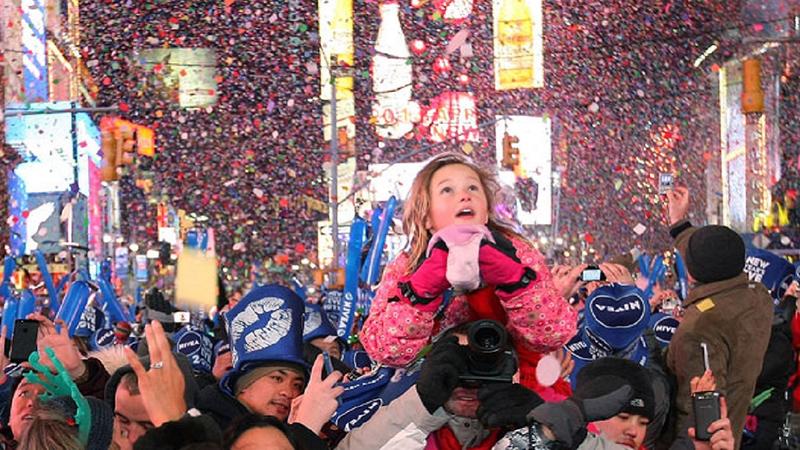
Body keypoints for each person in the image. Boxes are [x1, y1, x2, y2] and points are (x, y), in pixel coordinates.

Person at [360, 152, 580, 392]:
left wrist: (517, 284)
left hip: (509, 388)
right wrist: (418, 295)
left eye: (473, 188)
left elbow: (553, 334)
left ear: (486, 211)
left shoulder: (518, 253)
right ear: (426, 217)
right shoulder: (407, 266)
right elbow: (384, 350)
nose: (464, 196)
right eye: (447, 190)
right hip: (433, 395)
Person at [665, 187, 774, 449]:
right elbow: (711, 257)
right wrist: (679, 225)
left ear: (690, 274)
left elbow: (702, 409)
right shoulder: (758, 297)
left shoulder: (700, 328)